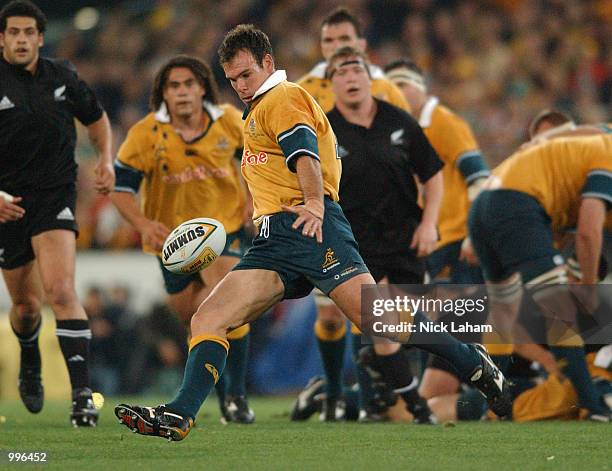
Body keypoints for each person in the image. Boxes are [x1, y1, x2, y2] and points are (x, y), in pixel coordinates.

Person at [115, 24, 510, 442]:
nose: (240, 87)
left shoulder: (283, 98)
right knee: (208, 318)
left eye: (246, 75)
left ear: (268, 63)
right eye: (232, 80)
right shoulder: (258, 110)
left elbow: (303, 150)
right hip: (273, 241)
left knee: (382, 323)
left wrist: (316, 204)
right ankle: (180, 414)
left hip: (312, 228)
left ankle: (473, 361)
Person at [110, 55, 255, 424]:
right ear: (163, 94)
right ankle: (226, 398)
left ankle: (237, 396)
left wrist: (255, 198)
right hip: (172, 244)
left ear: (203, 87)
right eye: (174, 86)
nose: (182, 92)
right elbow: (120, 189)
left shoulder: (228, 121)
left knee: (226, 302)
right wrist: (143, 224)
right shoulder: (145, 134)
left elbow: (259, 160)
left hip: (224, 232)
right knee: (194, 319)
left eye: (189, 84)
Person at [0, 0, 114, 426]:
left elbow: (97, 118)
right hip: (7, 206)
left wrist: (105, 159)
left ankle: (82, 396)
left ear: (40, 38)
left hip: (55, 195)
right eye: (14, 32)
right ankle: (30, 354)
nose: (22, 39)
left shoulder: (62, 76)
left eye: (29, 32)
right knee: (27, 308)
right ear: (2, 38)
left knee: (62, 291)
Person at [315, 46, 444, 423]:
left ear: (370, 79)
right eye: (341, 72)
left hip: (405, 238)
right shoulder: (323, 129)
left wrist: (430, 222)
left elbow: (433, 175)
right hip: (355, 244)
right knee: (381, 324)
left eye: (357, 71)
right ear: (331, 84)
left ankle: (383, 388)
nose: (351, 78)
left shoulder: (400, 121)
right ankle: (411, 406)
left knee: (406, 324)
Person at [468, 134, 612, 421]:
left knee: (503, 312)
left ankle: (493, 407)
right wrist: (588, 285)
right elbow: (588, 230)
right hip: (516, 202)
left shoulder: (578, 152)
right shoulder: (606, 154)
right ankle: (593, 407)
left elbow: (560, 228)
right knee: (557, 304)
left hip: (483, 206)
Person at [384, 58, 489, 284]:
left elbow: (479, 178)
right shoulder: (396, 132)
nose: (397, 93)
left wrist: (476, 234)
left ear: (421, 87)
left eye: (402, 84)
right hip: (424, 240)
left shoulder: (443, 122)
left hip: (455, 239)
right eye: (391, 87)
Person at [297, 7, 409, 114]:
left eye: (344, 38)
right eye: (328, 40)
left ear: (361, 45)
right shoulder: (303, 91)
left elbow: (408, 131)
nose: (336, 46)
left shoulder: (388, 91)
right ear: (321, 46)